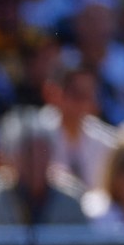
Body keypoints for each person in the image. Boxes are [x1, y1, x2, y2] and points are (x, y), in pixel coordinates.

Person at [0, 107, 90, 226]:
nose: (36, 160)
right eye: (27, 152)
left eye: (42, 151)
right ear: (11, 156)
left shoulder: (71, 200)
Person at [40, 62, 116, 190]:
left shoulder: (107, 142)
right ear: (55, 93)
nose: (84, 102)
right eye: (77, 94)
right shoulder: (37, 134)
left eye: (89, 95)